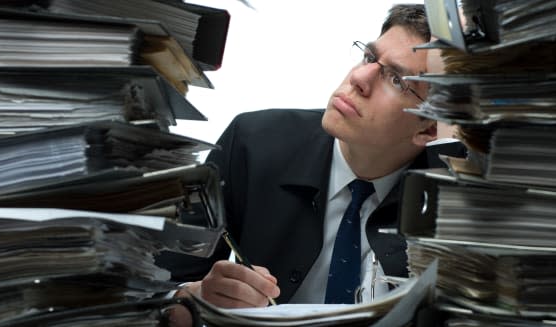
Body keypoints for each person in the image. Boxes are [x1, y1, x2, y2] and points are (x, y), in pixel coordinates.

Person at [160, 3, 466, 310]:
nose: (359, 77)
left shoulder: (463, 189)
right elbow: (158, 283)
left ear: (428, 131)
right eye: (370, 57)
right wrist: (194, 298)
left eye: (396, 80)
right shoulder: (252, 143)